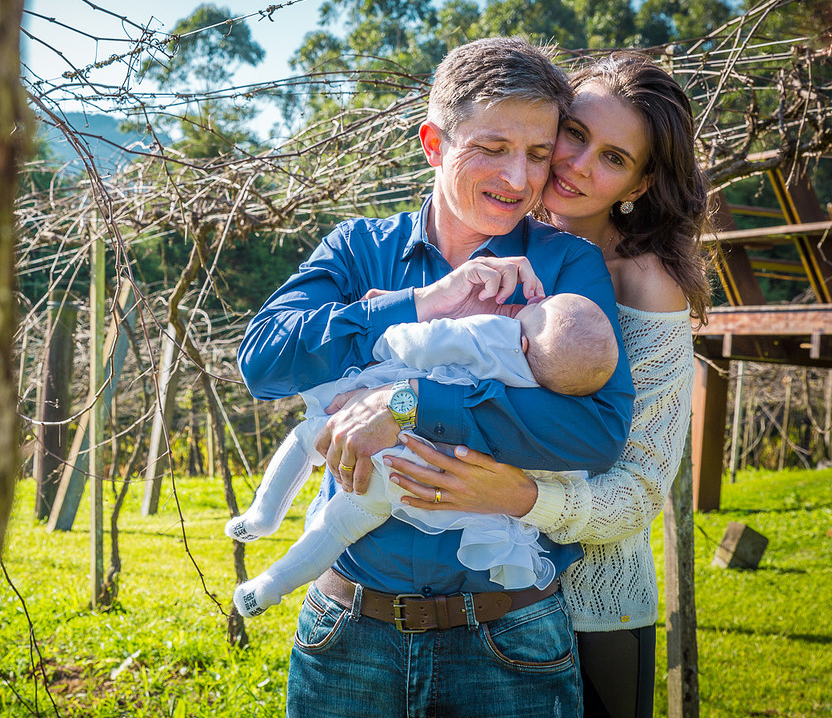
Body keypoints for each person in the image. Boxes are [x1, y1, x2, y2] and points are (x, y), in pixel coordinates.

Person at [237, 36, 635, 718]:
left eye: (539, 154)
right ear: (433, 144)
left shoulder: (566, 269)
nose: (519, 178)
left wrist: (415, 401)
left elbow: (596, 433)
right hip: (345, 631)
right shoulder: (360, 250)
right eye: (493, 147)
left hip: (509, 638)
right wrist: (424, 302)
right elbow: (264, 360)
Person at [385, 51, 710, 718]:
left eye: (614, 158)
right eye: (575, 133)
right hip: (478, 595)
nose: (577, 164)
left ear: (639, 185)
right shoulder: (493, 242)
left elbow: (640, 488)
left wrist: (522, 495)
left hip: (588, 606)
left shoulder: (644, 281)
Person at [228, 288, 618, 618]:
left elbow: (430, 341)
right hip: (412, 480)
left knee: (306, 437)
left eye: (535, 308)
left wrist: (388, 335)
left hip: (387, 433)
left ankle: (263, 515)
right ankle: (268, 586)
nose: (525, 306)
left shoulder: (500, 336)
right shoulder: (547, 399)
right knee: (336, 527)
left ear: (526, 340)